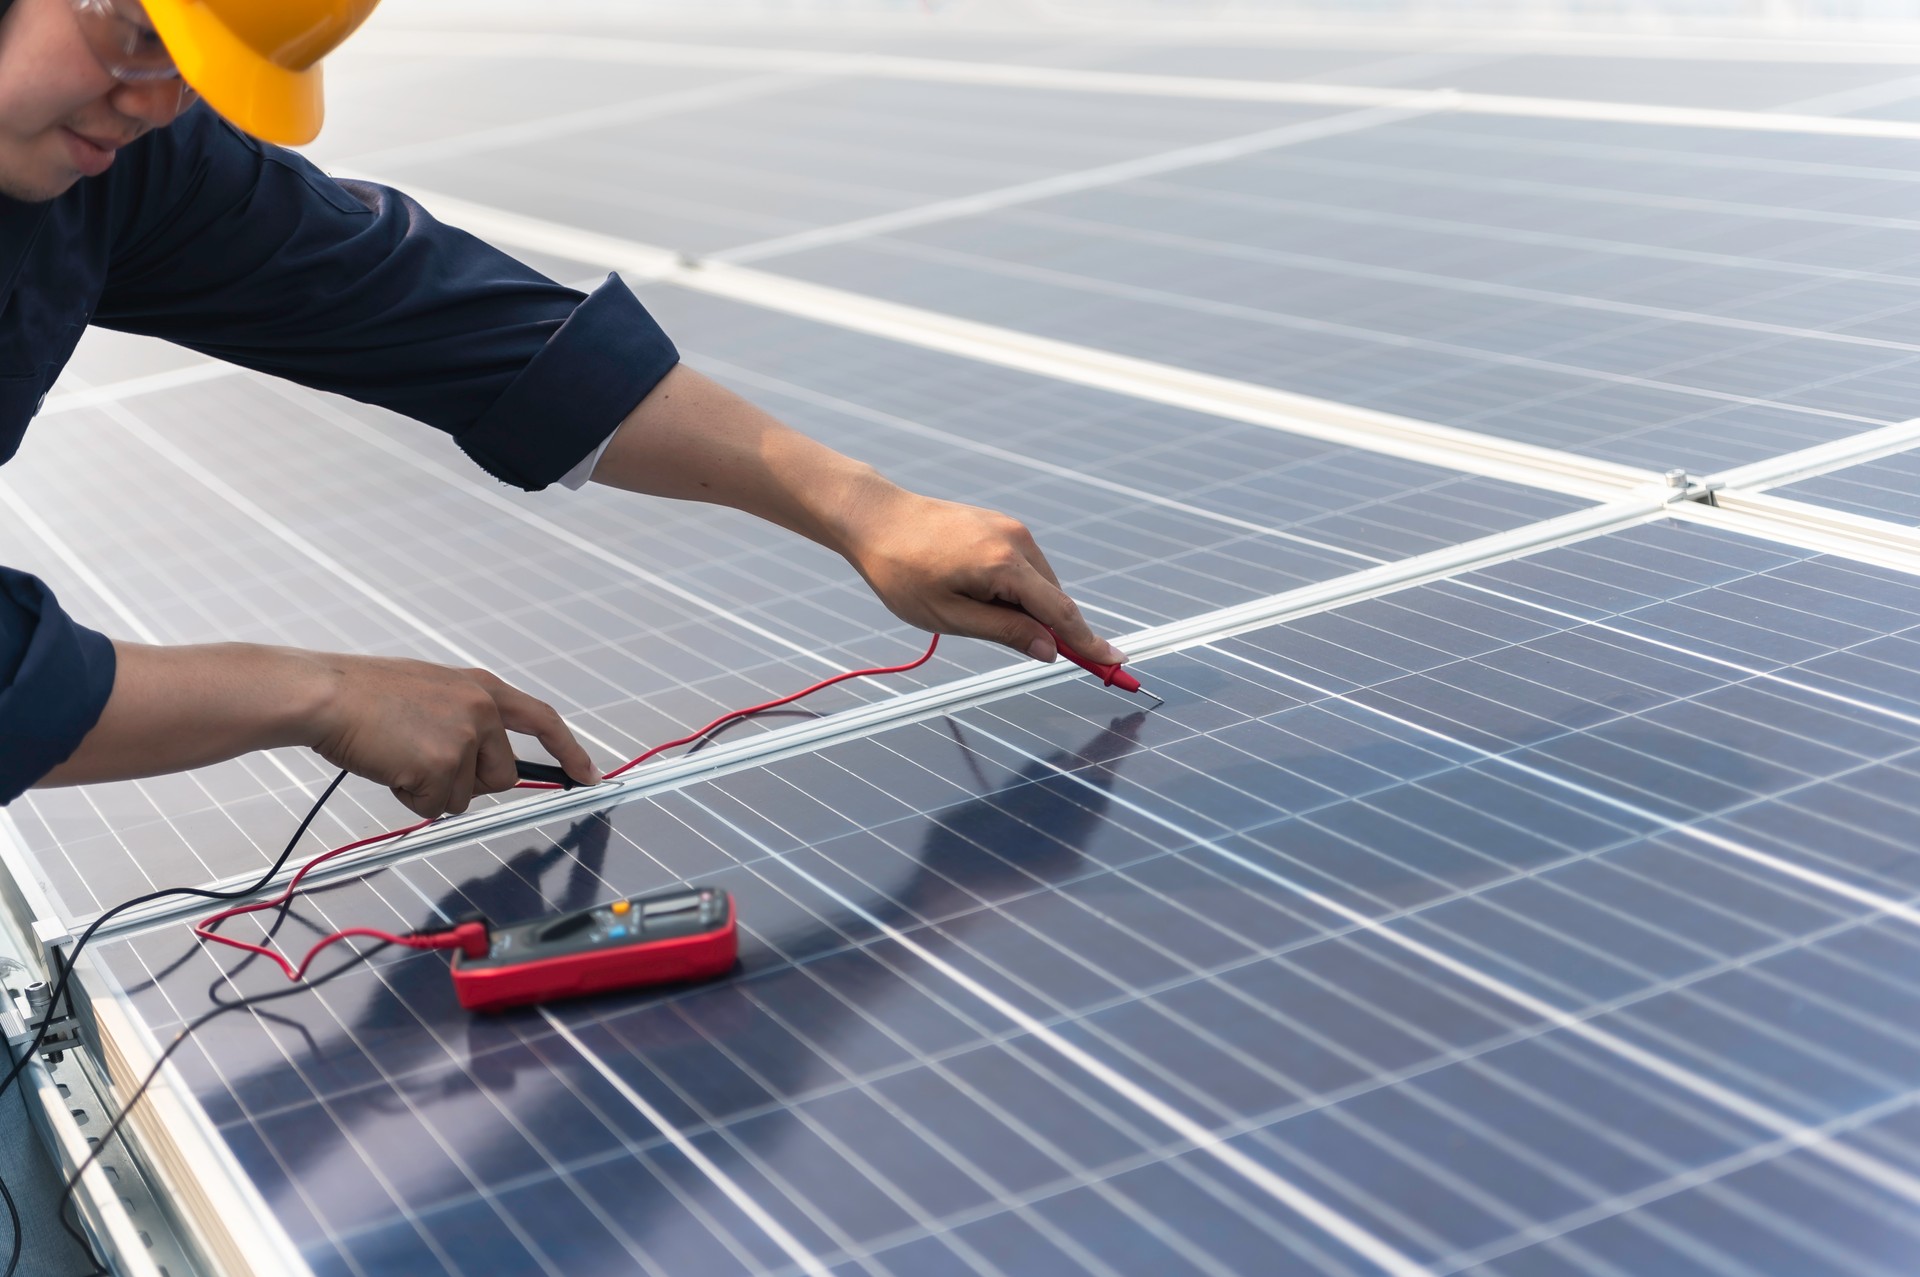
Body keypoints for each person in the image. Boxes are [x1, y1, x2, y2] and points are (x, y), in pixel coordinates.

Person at [0, 0, 1126, 818]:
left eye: (192, 70)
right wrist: (317, 693)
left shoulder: (121, 166)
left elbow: (424, 312)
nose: (153, 104)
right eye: (136, 35)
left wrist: (863, 508)